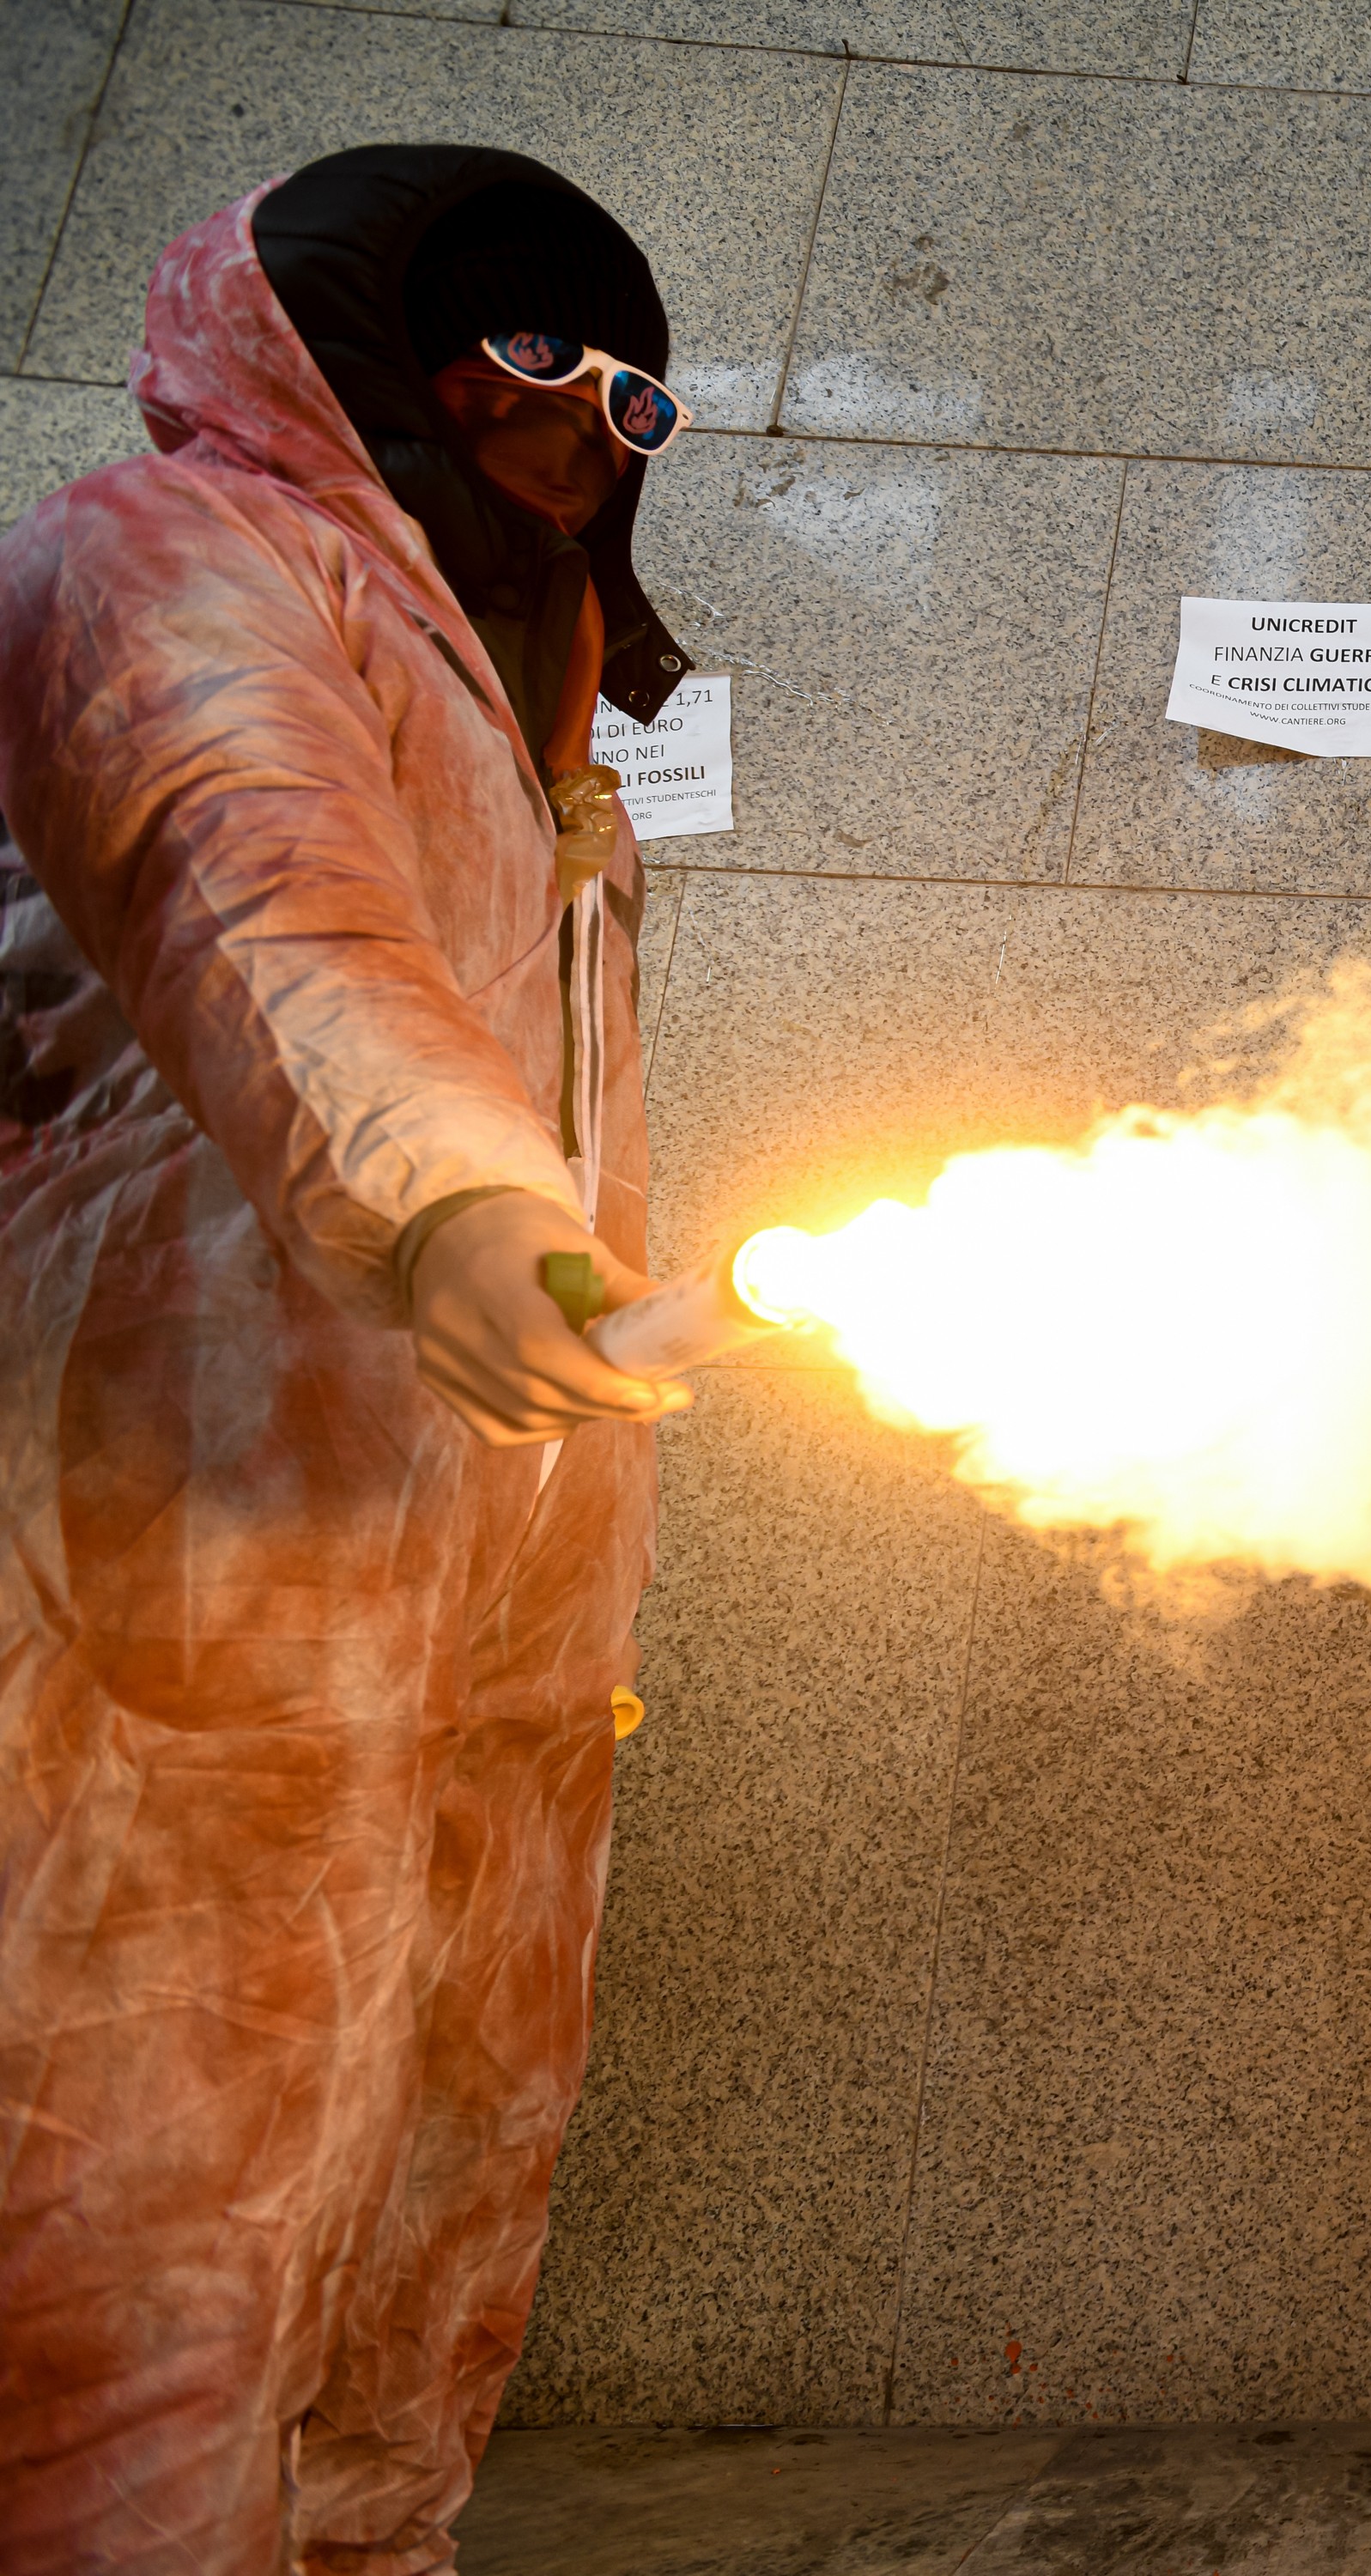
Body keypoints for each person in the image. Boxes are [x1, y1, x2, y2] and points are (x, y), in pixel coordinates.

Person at [0, 147, 699, 2567]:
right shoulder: (169, 554)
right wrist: (451, 1204)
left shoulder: (554, 733)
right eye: (543, 360)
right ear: (370, 350)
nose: (600, 426)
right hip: (191, 1553)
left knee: (435, 2196)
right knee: (144, 2252)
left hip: (495, 1588)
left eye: (645, 394)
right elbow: (250, 866)